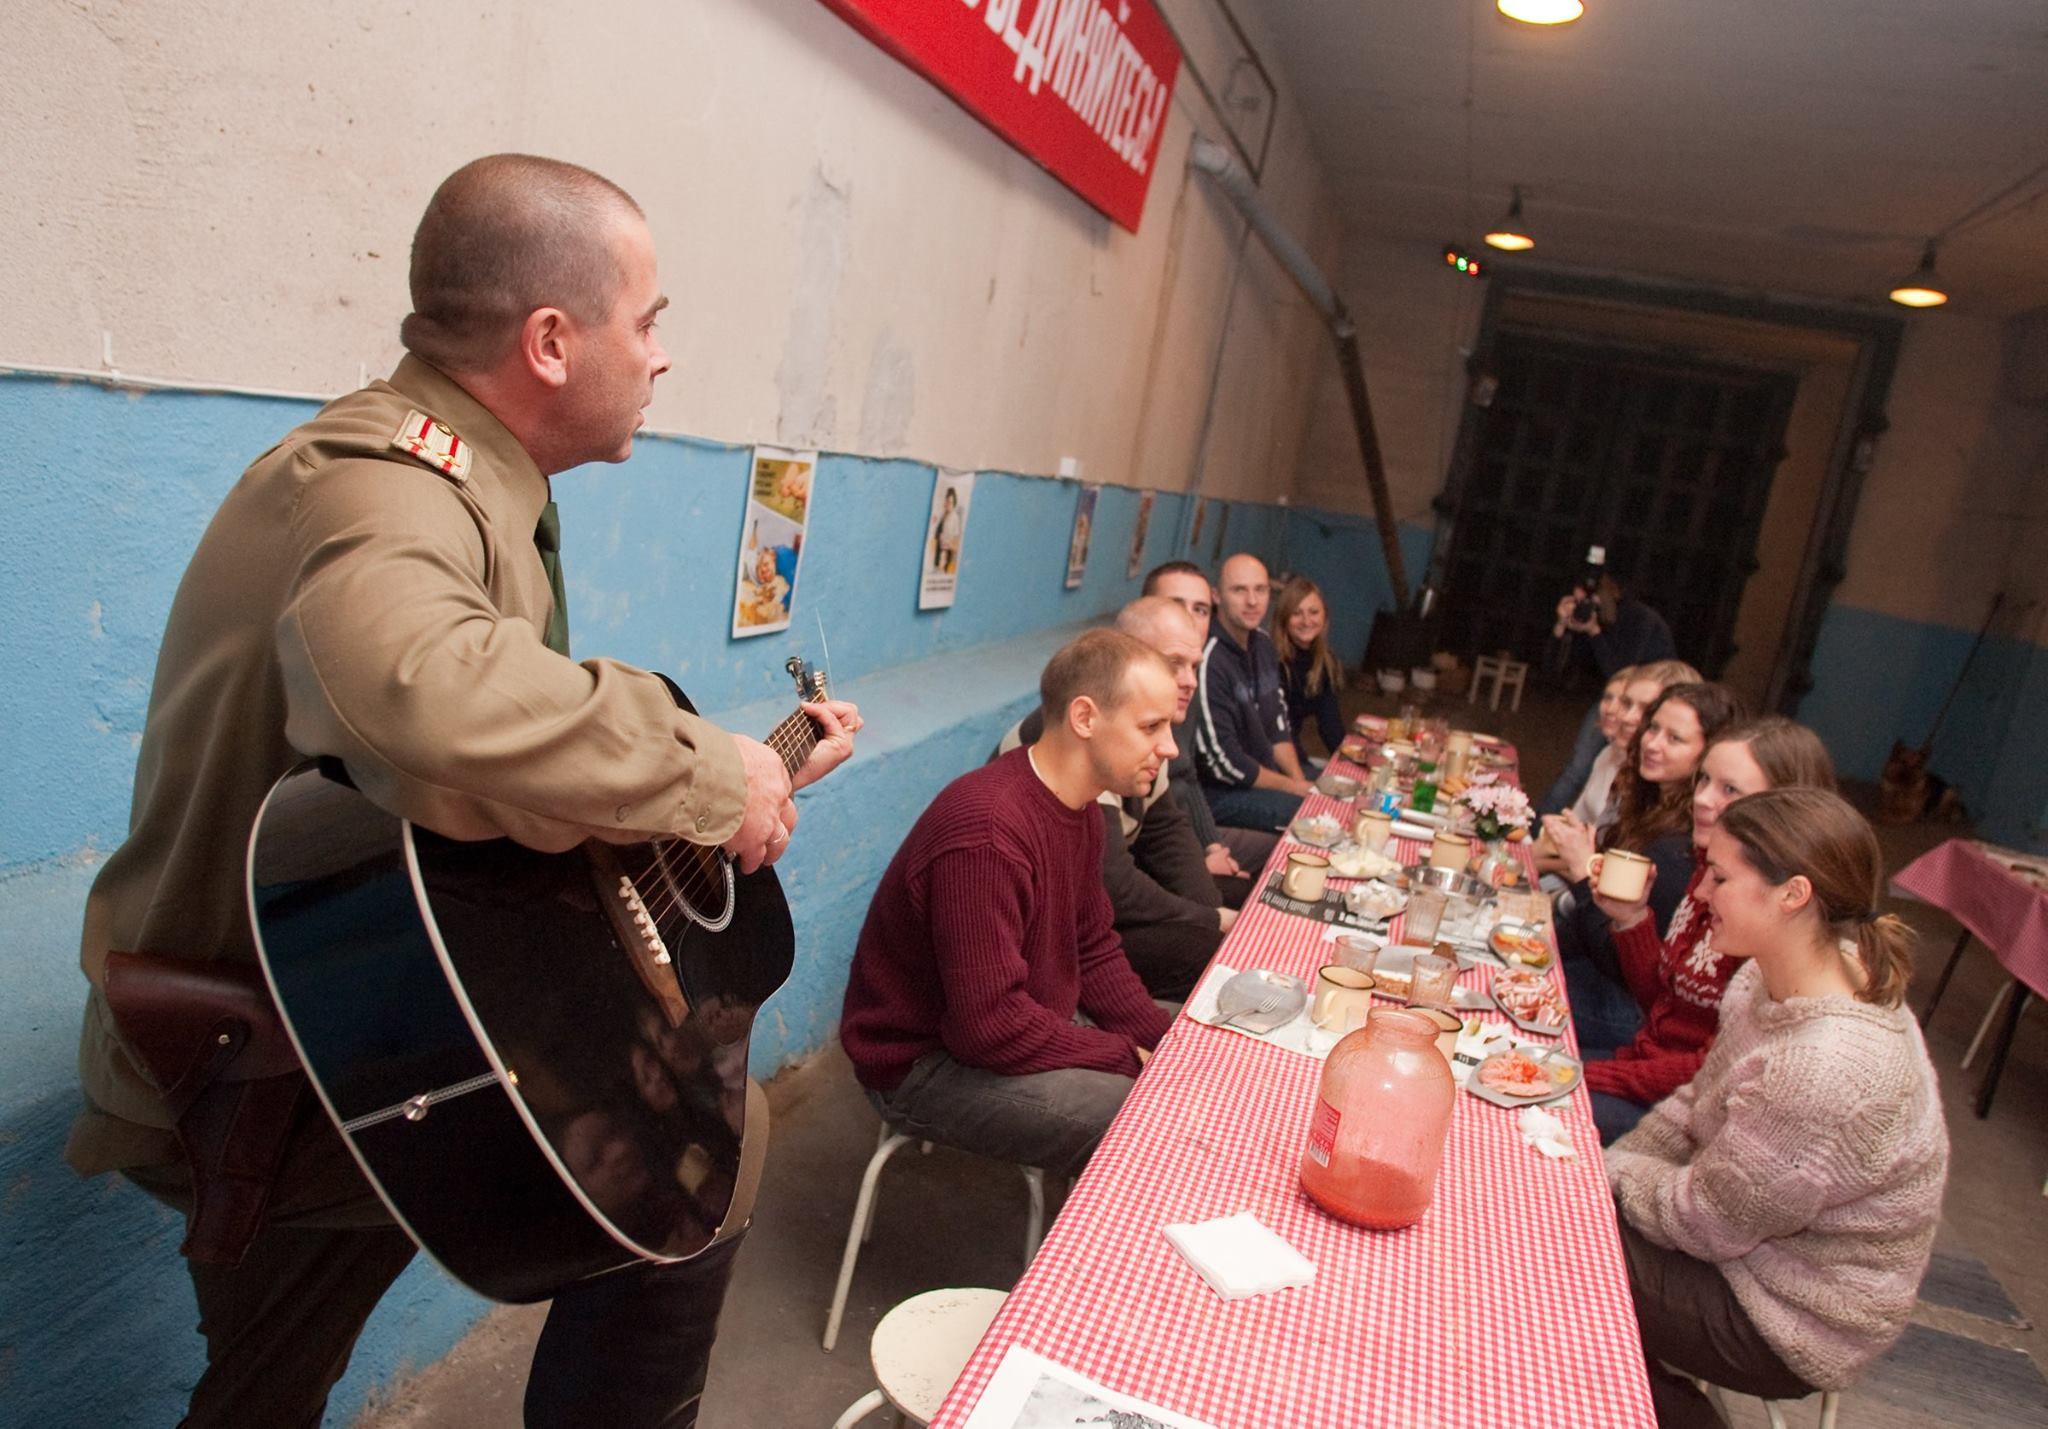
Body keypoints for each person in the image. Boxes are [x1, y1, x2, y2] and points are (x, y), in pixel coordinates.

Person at [63, 155, 863, 1429]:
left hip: (369, 1009)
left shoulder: (472, 488)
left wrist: (722, 781)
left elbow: (475, 764)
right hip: (288, 1053)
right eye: (647, 321)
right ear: (550, 341)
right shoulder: (385, 483)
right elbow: (423, 695)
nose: (662, 357)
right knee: (695, 1161)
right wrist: (707, 772)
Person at [1607, 787, 1948, 1429]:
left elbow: (1705, 1222)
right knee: (1569, 1215)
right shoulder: (1770, 975)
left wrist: (1607, 1175)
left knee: (1565, 1252)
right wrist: (1616, 1167)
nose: (1700, 892)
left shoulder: (1824, 1066)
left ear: (1793, 895)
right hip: (1747, 1253)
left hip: (1791, 1319)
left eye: (1721, 877)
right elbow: (1695, 1103)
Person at [841, 630, 1177, 1179]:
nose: (1170, 748)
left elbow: (1092, 948)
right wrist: (1126, 1055)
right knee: (1149, 1120)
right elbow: (989, 1027)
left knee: (1191, 1043)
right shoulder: (988, 831)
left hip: (1013, 1024)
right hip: (924, 1065)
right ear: (1085, 718)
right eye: (1151, 727)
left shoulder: (1081, 808)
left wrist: (1161, 1042)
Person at [1575, 718, 1837, 1144]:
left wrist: (1587, 1074)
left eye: (1729, 789)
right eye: (1704, 780)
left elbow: (1711, 1068)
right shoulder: (1710, 867)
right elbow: (1663, 1000)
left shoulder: (1767, 910)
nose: (1701, 798)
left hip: (1686, 1113)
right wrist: (1631, 918)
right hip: (1644, 1064)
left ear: (1781, 808)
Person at [994, 598, 1233, 999]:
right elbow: (1112, 889)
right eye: (1174, 664)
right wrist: (1209, 919)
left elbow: (1166, 832)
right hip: (1037, 968)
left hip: (1069, 943)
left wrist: (1211, 912)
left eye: (1194, 666)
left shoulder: (1111, 768)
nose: (1189, 681)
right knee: (1202, 948)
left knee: (1222, 918)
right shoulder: (1078, 761)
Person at [1543, 682, 1746, 1050]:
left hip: (1627, 1006)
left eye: (1674, 738)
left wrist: (1581, 873)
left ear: (1707, 753)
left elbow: (1617, 962)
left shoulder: (1683, 844)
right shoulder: (1648, 803)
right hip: (1602, 975)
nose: (1652, 743)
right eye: (1653, 728)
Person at [1142, 560, 1277, 887]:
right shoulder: (1123, 696)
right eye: (1176, 605)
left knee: (1285, 856)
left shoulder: (1188, 682)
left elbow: (1186, 776)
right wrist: (1200, 862)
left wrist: (1212, 846)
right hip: (1157, 855)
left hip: (1184, 835)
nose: (1189, 619)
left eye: (1201, 610)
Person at [1191, 553, 1314, 831]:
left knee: (1331, 792)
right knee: (1313, 818)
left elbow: (1277, 727)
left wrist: (1299, 782)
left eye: (1260, 590)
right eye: (1239, 590)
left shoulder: (1264, 644)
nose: (1252, 601)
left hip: (1264, 777)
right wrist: (1293, 789)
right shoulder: (1209, 659)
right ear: (1216, 596)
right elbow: (1224, 762)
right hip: (1222, 793)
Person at [1542, 568, 1678, 814]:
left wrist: (1595, 633)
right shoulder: (1590, 617)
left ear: (1609, 592)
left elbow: (1623, 676)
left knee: (1623, 775)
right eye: (1579, 599)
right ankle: (1536, 829)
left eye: (1590, 599)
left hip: (1648, 707)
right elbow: (1552, 669)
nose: (1585, 605)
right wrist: (1562, 625)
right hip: (1611, 696)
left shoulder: (1640, 619)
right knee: (1579, 770)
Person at [1271, 576, 1345, 759]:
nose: (1306, 621)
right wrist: (1301, 769)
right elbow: (1277, 731)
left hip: (1290, 749)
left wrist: (1348, 761)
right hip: (1264, 752)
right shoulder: (1272, 660)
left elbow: (1330, 724)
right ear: (1283, 618)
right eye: (1296, 613)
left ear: (1324, 616)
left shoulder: (1326, 662)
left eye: (1314, 612)